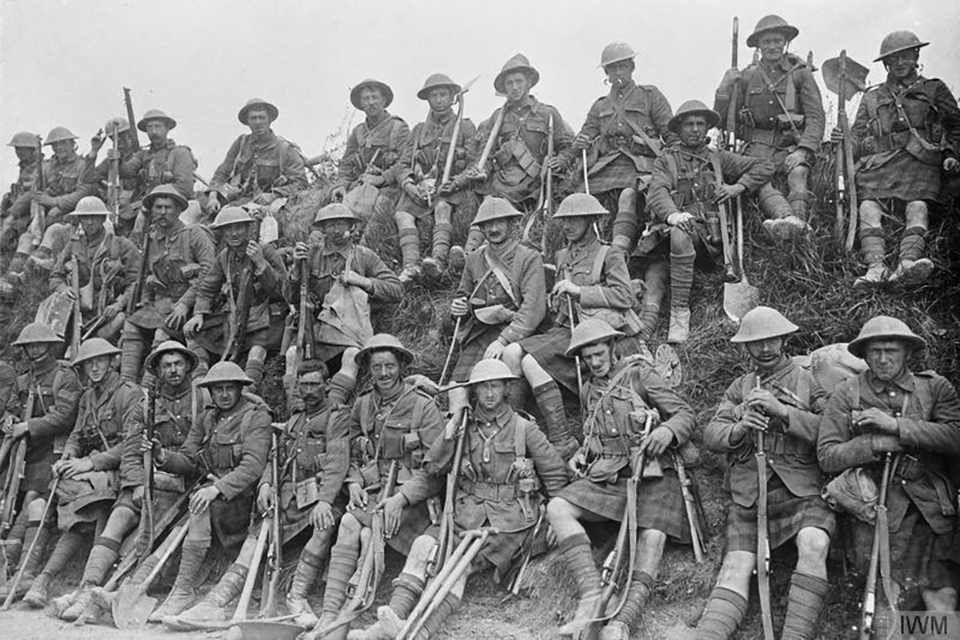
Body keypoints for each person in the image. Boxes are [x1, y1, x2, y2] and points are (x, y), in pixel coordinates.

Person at [350, 358, 567, 639]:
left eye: (495, 386)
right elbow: (434, 469)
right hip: (463, 512)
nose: (489, 393)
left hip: (509, 520)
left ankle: (422, 631)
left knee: (461, 563)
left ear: (506, 390)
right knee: (423, 544)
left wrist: (555, 513)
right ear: (473, 392)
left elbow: (555, 473)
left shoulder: (524, 428)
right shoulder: (463, 427)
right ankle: (391, 621)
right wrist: (452, 423)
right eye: (483, 387)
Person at [167, 356, 358, 629]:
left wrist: (326, 501)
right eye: (303, 385)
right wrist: (267, 483)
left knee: (324, 526)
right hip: (288, 493)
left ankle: (297, 597)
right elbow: (274, 456)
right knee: (257, 533)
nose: (309, 391)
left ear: (327, 385)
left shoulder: (337, 416)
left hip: (322, 495)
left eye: (315, 385)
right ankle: (217, 601)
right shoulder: (296, 418)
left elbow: (338, 462)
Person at [548, 319, 697, 639]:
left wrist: (666, 430)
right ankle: (590, 597)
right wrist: (580, 455)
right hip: (609, 476)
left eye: (599, 354)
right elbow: (591, 435)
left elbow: (685, 414)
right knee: (558, 507)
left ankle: (623, 620)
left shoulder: (639, 375)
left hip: (653, 473)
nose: (595, 362)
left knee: (653, 536)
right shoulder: (589, 388)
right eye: (588, 358)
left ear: (613, 349)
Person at [696, 306, 833, 640]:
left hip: (799, 488)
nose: (766, 348)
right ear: (747, 347)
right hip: (749, 493)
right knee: (735, 567)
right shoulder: (739, 387)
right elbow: (711, 435)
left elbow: (833, 430)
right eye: (757, 342)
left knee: (814, 542)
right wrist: (740, 427)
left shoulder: (807, 380)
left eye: (772, 340)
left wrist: (784, 412)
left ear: (784, 339)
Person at [818, 316, 960, 622]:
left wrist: (897, 426)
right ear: (864, 355)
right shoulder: (847, 393)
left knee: (941, 599)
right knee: (887, 603)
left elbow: (955, 437)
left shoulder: (934, 388)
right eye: (875, 351)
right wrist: (874, 444)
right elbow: (827, 455)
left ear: (907, 351)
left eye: (891, 350)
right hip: (875, 512)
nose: (882, 359)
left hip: (931, 510)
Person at [305, 334, 444, 640]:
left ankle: (354, 609)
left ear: (401, 366)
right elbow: (353, 450)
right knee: (349, 522)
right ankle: (331, 616)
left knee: (369, 527)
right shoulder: (363, 404)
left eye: (390, 366)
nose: (383, 373)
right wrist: (353, 481)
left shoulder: (423, 406)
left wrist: (402, 498)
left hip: (412, 501)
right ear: (368, 368)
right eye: (377, 366)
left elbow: (436, 469)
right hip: (373, 493)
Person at [502, 193, 636, 458]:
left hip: (596, 332)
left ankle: (561, 439)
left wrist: (579, 291)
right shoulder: (562, 254)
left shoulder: (609, 254)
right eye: (564, 219)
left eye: (574, 219)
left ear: (591, 220)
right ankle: (511, 428)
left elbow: (625, 296)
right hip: (565, 329)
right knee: (510, 353)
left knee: (530, 362)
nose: (567, 225)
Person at [147, 360, 272, 622]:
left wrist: (216, 489)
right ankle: (175, 588)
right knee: (188, 508)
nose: (224, 394)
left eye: (230, 388)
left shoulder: (256, 417)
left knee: (201, 505)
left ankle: (183, 591)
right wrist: (162, 455)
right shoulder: (208, 418)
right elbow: (189, 459)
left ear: (240, 389)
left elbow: (252, 467)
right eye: (218, 389)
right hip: (214, 494)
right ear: (211, 392)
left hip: (244, 499)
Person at [22, 339, 142, 609]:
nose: (95, 366)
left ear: (113, 362)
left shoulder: (129, 394)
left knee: (85, 506)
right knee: (43, 501)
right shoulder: (88, 396)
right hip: (92, 473)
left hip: (121, 471)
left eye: (100, 360)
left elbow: (133, 444)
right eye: (89, 362)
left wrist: (90, 463)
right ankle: (29, 575)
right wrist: (70, 456)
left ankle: (46, 578)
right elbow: (77, 434)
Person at [834, 31, 960, 287]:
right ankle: (875, 267)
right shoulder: (872, 97)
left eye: (905, 56)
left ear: (916, 56)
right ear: (886, 64)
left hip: (921, 160)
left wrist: (951, 154)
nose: (900, 63)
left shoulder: (934, 88)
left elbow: (956, 125)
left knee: (918, 206)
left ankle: (908, 263)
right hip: (880, 164)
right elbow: (857, 136)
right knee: (868, 207)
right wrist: (844, 139)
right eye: (894, 59)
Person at [644, 100, 774, 343]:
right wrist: (674, 215)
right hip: (680, 233)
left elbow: (764, 165)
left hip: (715, 240)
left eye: (700, 124)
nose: (695, 129)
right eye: (689, 124)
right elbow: (657, 192)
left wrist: (738, 186)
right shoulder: (666, 160)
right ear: (679, 129)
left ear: (706, 129)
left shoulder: (718, 158)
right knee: (679, 233)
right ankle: (679, 313)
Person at [715, 15, 824, 241]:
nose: (773, 46)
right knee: (759, 178)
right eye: (767, 42)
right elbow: (723, 121)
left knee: (799, 173)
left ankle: (799, 226)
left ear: (785, 42)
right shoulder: (746, 76)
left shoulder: (800, 74)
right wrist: (724, 88)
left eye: (777, 41)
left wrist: (804, 149)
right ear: (759, 45)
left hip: (790, 145)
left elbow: (815, 117)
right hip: (756, 146)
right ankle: (786, 219)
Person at [560, 42, 677, 254]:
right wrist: (579, 145)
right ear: (606, 73)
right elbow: (584, 135)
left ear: (632, 67)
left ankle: (618, 251)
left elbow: (671, 135)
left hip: (641, 164)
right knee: (582, 200)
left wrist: (675, 165)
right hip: (607, 165)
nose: (619, 72)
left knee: (627, 196)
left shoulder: (650, 96)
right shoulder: (600, 105)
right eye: (613, 68)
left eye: (623, 66)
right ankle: (582, 251)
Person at [284, 202, 402, 397]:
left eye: (342, 224)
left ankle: (333, 406)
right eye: (331, 225)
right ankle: (294, 407)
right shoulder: (311, 254)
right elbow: (290, 297)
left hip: (350, 331)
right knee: (291, 356)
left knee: (351, 357)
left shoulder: (364, 256)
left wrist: (362, 281)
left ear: (351, 227)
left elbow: (396, 290)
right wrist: (296, 269)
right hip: (315, 331)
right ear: (322, 229)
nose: (337, 230)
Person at [458, 54, 572, 255]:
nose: (515, 87)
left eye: (519, 81)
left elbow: (567, 147)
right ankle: (469, 253)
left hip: (534, 181)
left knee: (498, 205)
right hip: (503, 179)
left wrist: (561, 160)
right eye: (509, 83)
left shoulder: (548, 114)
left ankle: (482, 250)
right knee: (489, 202)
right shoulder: (497, 117)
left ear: (529, 83)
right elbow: (487, 154)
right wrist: (482, 171)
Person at [447, 197, 546, 427]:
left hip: (520, 332)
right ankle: (457, 431)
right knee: (456, 388)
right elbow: (465, 294)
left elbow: (533, 309)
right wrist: (458, 307)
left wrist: (503, 340)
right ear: (481, 228)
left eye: (499, 222)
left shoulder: (529, 258)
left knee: (504, 375)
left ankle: (510, 425)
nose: (493, 229)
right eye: (487, 224)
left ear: (511, 224)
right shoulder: (474, 260)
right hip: (481, 333)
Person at [0, 323, 81, 600]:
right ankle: (9, 564)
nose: (35, 350)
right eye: (29, 346)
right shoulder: (22, 379)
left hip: (54, 450)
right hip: (22, 453)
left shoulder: (64, 376)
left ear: (50, 345)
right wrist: (9, 421)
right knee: (10, 504)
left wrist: (28, 426)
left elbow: (65, 417)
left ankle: (22, 570)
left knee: (34, 500)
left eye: (39, 344)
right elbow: (10, 408)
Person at [120, 184, 215, 384]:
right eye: (158, 207)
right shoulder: (153, 238)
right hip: (163, 304)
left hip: (194, 305)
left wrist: (185, 303)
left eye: (168, 207)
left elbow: (210, 272)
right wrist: (145, 300)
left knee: (161, 332)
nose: (163, 212)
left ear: (179, 210)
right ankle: (127, 383)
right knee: (131, 325)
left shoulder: (194, 234)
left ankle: (149, 385)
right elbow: (146, 274)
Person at [183, 206, 287, 388]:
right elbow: (207, 288)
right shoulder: (225, 257)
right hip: (237, 317)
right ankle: (200, 384)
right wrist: (199, 312)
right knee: (195, 333)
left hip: (267, 318)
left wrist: (261, 264)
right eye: (228, 229)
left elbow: (283, 290)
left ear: (248, 229)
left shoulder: (265, 250)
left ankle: (249, 393)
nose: (233, 233)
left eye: (238, 228)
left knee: (257, 352)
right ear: (222, 233)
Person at [394, 73, 478, 282]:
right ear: (428, 100)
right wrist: (409, 185)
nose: (439, 100)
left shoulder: (465, 126)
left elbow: (475, 163)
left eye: (443, 95)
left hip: (451, 188)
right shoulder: (418, 131)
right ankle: (411, 266)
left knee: (442, 208)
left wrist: (457, 182)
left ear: (452, 98)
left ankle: (438, 261)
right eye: (434, 96)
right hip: (422, 188)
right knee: (402, 215)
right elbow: (402, 165)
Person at [0, 126, 95, 296]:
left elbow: (83, 193)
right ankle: (8, 281)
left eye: (64, 144)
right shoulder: (48, 167)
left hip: (70, 219)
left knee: (52, 232)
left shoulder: (83, 165)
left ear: (72, 144)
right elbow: (33, 193)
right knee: (26, 237)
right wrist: (12, 214)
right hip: (47, 217)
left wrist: (54, 202)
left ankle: (25, 276)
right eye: (56, 146)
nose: (60, 148)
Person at [48, 195, 141, 343]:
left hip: (107, 313)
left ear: (103, 219)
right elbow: (55, 277)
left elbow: (135, 282)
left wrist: (119, 304)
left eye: (94, 217)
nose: (89, 222)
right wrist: (64, 289)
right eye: (85, 218)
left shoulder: (121, 246)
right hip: (78, 312)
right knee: (55, 319)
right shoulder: (74, 245)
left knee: (120, 320)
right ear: (80, 221)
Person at [331, 79, 409, 244]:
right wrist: (341, 185)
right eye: (366, 99)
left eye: (375, 97)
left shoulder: (398, 128)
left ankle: (364, 250)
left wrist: (382, 178)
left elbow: (405, 162)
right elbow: (346, 164)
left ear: (384, 100)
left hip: (389, 188)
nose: (371, 103)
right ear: (361, 104)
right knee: (334, 210)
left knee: (381, 207)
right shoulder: (358, 132)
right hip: (361, 186)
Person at [204, 98, 308, 217]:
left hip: (269, 206)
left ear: (269, 120)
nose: (257, 122)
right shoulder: (241, 143)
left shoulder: (284, 149)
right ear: (247, 122)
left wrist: (274, 195)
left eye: (261, 117)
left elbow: (301, 183)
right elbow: (222, 173)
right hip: (238, 202)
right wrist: (213, 197)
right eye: (253, 118)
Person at [120, 109, 197, 206]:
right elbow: (126, 172)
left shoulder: (180, 153)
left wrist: (153, 200)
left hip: (175, 204)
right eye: (150, 127)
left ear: (167, 129)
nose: (154, 132)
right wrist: (118, 159)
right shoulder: (142, 155)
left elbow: (185, 189)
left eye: (158, 126)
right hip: (147, 204)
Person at [86, 117, 141, 234]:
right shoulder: (110, 161)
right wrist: (94, 151)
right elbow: (89, 178)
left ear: (130, 135)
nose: (118, 140)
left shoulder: (141, 157)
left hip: (136, 210)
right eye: (114, 138)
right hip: (113, 210)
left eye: (122, 136)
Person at [0, 131, 42, 250]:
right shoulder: (24, 166)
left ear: (32, 150)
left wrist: (12, 213)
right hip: (19, 207)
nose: (19, 153)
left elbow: (31, 193)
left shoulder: (39, 167)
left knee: (8, 227)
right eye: (17, 149)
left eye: (24, 149)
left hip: (30, 210)